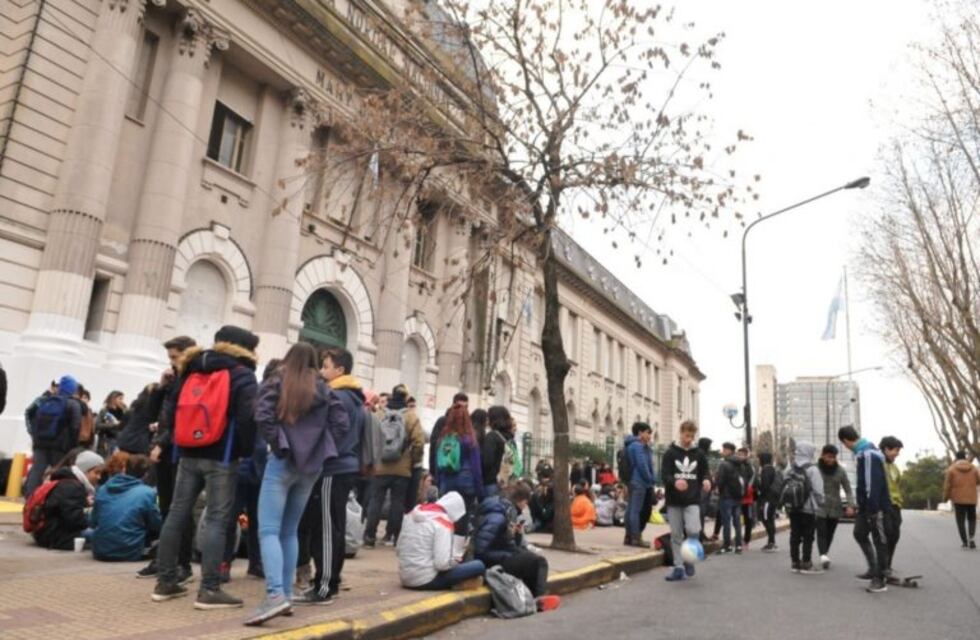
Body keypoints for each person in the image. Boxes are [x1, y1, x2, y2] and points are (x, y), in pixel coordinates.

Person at [151, 326, 259, 610]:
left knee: (176, 512)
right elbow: (249, 418)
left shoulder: (191, 366)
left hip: (187, 452)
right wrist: (244, 452)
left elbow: (172, 408)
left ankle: (165, 582)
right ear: (242, 347)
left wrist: (176, 441)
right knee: (216, 518)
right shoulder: (242, 374)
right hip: (222, 456)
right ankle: (209, 588)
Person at [243, 344, 347, 625]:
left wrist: (280, 444)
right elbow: (341, 423)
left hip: (282, 462)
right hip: (311, 467)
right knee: (289, 532)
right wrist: (322, 449)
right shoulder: (324, 387)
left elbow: (262, 414)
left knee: (268, 531)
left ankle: (275, 595)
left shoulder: (279, 378)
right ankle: (285, 593)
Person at [294, 347, 366, 606]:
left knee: (326, 529)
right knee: (332, 526)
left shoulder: (337, 396)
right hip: (345, 467)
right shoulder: (355, 398)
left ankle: (325, 586)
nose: (321, 371)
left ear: (340, 370)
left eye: (325, 366)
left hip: (332, 468)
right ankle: (329, 582)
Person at [138, 335, 196, 582]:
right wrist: (161, 387)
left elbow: (182, 418)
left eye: (175, 357)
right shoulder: (173, 379)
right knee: (165, 507)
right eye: (170, 358)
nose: (171, 362)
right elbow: (152, 414)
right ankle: (164, 558)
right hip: (163, 450)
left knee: (180, 509)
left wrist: (161, 443)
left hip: (178, 451)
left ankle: (183, 563)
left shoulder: (193, 379)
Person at [363, 385, 425, 547]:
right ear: (405, 398)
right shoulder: (411, 417)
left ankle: (370, 536)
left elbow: (370, 438)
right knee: (398, 502)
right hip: (402, 468)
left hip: (380, 466)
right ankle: (395, 536)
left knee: (376, 500)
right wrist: (412, 460)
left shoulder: (379, 414)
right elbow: (419, 442)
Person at [474, 483, 551, 600]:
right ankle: (541, 598)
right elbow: (480, 550)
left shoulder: (506, 513)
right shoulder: (498, 517)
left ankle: (531, 597)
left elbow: (508, 542)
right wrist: (507, 554)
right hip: (494, 561)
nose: (525, 507)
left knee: (530, 559)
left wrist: (517, 535)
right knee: (540, 562)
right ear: (520, 500)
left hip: (502, 555)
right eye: (525, 502)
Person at [397, 491, 486, 590]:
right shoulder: (443, 523)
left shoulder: (412, 514)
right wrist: (456, 559)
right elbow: (442, 564)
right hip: (426, 580)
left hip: (405, 577)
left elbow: (398, 550)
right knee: (479, 565)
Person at [839, 426, 891, 593]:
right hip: (865, 505)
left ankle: (880, 578)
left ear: (846, 441)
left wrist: (872, 509)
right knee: (860, 533)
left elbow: (871, 484)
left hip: (874, 505)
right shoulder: (862, 453)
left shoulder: (868, 454)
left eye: (844, 444)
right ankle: (873, 568)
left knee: (878, 538)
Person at [661, 420, 711, 581]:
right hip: (674, 499)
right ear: (680, 433)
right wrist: (674, 482)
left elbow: (705, 472)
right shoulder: (670, 453)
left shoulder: (699, 454)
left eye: (691, 436)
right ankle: (678, 566)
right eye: (686, 435)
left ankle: (689, 558)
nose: (688, 439)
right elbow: (665, 475)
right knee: (676, 534)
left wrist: (706, 480)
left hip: (692, 499)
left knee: (693, 530)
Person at [91, 455, 161, 561]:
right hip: (130, 551)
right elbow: (156, 525)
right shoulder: (147, 492)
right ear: (146, 474)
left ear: (124, 469)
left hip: (101, 551)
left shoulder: (103, 489)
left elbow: (93, 521)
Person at [31, 450, 105, 550]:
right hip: (56, 536)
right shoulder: (71, 486)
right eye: (96, 472)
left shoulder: (68, 481)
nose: (99, 477)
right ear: (85, 470)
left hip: (48, 533)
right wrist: (93, 514)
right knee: (106, 535)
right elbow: (75, 519)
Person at [24, 376, 83, 498]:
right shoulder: (73, 404)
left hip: (40, 443)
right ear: (72, 389)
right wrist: (72, 446)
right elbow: (75, 427)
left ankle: (30, 499)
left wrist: (33, 434)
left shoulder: (45, 400)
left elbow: (30, 414)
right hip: (60, 446)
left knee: (37, 471)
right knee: (60, 473)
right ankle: (56, 500)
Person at [433, 402, 484, 540]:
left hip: (446, 483)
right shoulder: (469, 440)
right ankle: (457, 552)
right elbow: (476, 467)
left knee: (446, 519)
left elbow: (437, 463)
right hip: (465, 484)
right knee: (462, 520)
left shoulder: (443, 439)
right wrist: (479, 491)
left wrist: (438, 482)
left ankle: (444, 548)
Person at [786, 442, 825, 574]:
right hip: (808, 507)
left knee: (795, 534)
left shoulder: (790, 467)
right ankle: (806, 562)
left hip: (793, 508)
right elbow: (818, 490)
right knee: (808, 535)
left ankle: (795, 562)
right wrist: (820, 503)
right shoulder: (812, 469)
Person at [815, 444, 854, 569]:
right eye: (828, 456)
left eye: (833, 457)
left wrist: (850, 505)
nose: (830, 460)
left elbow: (848, 489)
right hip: (819, 505)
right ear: (823, 455)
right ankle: (822, 555)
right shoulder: (815, 469)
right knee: (821, 530)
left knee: (830, 533)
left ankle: (824, 553)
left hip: (834, 506)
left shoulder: (840, 471)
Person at [624, 422, 655, 547]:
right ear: (640, 432)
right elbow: (642, 465)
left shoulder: (632, 445)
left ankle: (629, 536)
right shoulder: (637, 446)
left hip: (633, 480)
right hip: (639, 481)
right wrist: (651, 479)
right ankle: (636, 538)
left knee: (631, 509)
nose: (649, 436)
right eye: (648, 432)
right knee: (635, 510)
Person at [944, 451, 979, 549]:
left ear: (956, 458)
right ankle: (971, 538)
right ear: (965, 457)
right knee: (972, 519)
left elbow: (947, 485)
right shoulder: (974, 468)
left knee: (960, 521)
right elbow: (978, 480)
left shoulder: (951, 469)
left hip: (958, 499)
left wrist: (946, 497)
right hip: (972, 498)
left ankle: (964, 542)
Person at [880, 436, 904, 577]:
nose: (897, 453)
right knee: (887, 535)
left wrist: (899, 501)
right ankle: (882, 566)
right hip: (884, 505)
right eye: (896, 450)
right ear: (886, 449)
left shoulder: (894, 466)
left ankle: (888, 565)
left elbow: (897, 484)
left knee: (895, 536)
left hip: (896, 506)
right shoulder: (879, 464)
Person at [714, 442, 744, 554]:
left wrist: (718, 489)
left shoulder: (724, 464)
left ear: (729, 450)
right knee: (737, 522)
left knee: (726, 521)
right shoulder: (740, 464)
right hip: (738, 496)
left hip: (726, 496)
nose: (722, 451)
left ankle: (727, 545)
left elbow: (720, 480)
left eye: (724, 449)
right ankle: (739, 546)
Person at [429, 392, 469, 473]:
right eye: (460, 407)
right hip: (443, 468)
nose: (463, 410)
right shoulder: (443, 421)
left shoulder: (468, 425)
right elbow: (434, 446)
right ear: (454, 406)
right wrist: (433, 470)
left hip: (461, 472)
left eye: (466, 407)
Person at [481, 405, 515, 496]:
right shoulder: (509, 437)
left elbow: (487, 461)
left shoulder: (492, 436)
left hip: (491, 482)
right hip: (505, 482)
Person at [757, 452, 780, 552]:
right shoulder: (773, 469)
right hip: (773, 499)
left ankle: (771, 543)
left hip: (767, 499)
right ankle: (772, 542)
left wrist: (758, 486)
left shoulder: (765, 470)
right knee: (770, 519)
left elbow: (764, 486)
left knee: (765, 519)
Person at [95, 391, 127, 458]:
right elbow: (97, 425)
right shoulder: (104, 411)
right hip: (106, 440)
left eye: (122, 399)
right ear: (113, 399)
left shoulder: (124, 411)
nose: (122, 401)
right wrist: (113, 425)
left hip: (119, 441)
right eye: (120, 398)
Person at [736, 446, 757, 549]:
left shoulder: (750, 467)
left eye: (742, 455)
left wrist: (746, 490)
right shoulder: (735, 465)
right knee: (738, 520)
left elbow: (752, 482)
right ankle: (738, 540)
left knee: (748, 520)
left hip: (747, 498)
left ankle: (746, 540)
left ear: (746, 455)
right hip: (737, 498)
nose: (740, 456)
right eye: (738, 454)